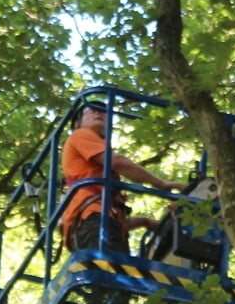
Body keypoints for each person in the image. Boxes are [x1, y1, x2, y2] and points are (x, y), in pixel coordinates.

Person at [60, 102, 182, 253]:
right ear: (77, 123)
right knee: (112, 271)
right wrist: (161, 183)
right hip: (92, 224)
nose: (98, 113)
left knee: (115, 272)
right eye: (90, 111)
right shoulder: (80, 135)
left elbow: (113, 218)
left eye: (103, 112)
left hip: (94, 226)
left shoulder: (101, 191)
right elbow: (117, 163)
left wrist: (145, 221)